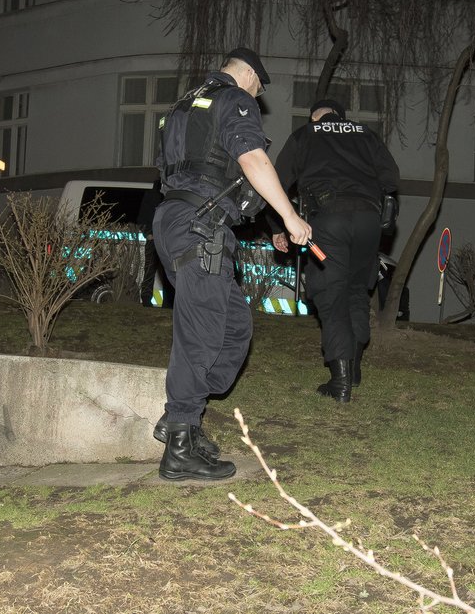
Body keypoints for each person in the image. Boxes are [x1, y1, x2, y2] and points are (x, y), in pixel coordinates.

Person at [150, 47, 312, 480]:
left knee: (234, 326)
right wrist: (292, 217)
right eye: (258, 88)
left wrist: (271, 222)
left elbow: (211, 171)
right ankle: (181, 441)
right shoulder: (232, 98)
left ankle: (182, 417)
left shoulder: (183, 105)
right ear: (247, 75)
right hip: (199, 225)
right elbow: (253, 161)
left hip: (177, 220)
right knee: (201, 332)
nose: (257, 98)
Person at [272, 99, 399, 402]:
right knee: (356, 290)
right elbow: (391, 178)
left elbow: (277, 182)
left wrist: (278, 225)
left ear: (316, 116)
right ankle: (353, 369)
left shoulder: (307, 134)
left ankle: (339, 382)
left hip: (329, 222)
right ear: (341, 117)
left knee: (331, 294)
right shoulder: (365, 134)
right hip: (369, 223)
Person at [136, 179, 173, 308]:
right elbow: (143, 218)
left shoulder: (170, 194)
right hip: (155, 239)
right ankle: (146, 300)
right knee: (150, 271)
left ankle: (167, 303)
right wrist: (149, 234)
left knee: (167, 272)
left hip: (167, 240)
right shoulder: (154, 193)